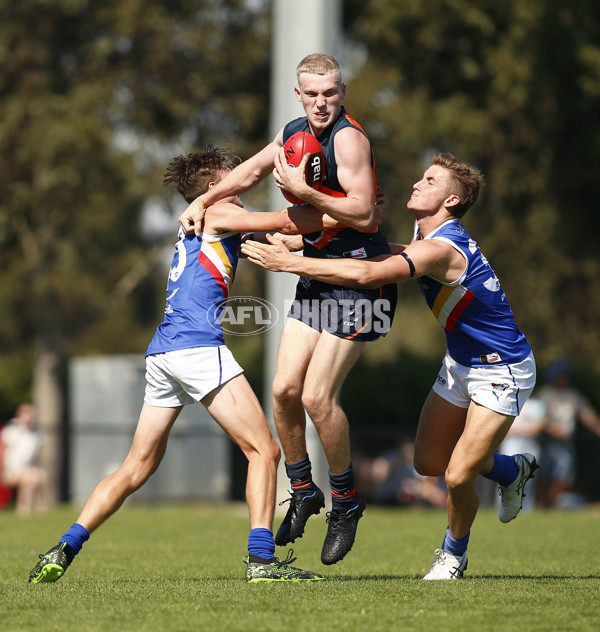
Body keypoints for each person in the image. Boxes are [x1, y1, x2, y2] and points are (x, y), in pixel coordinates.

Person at [27, 146, 344, 584]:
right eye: (231, 175)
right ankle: (261, 561)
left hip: (164, 352)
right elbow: (284, 221)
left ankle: (64, 547)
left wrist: (319, 235)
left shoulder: (209, 222)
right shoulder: (216, 214)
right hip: (196, 348)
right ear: (214, 188)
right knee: (264, 451)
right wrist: (346, 211)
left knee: (135, 468)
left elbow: (285, 238)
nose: (241, 179)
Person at [242, 151, 538, 580]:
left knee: (457, 476)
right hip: (460, 363)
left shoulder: (443, 246)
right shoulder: (425, 232)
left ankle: (453, 555)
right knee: (429, 463)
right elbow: (393, 252)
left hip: (502, 369)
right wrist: (301, 241)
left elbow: (370, 274)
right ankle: (512, 469)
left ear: (451, 202)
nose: (418, 184)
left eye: (431, 181)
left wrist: (293, 263)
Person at [177, 53, 397, 565]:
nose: (322, 103)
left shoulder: (349, 139)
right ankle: (303, 489)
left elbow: (364, 214)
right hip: (317, 273)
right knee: (282, 391)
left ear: (343, 93)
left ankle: (344, 503)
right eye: (313, 93)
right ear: (298, 94)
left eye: (331, 93)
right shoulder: (293, 131)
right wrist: (201, 203)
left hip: (360, 278)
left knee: (318, 398)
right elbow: (249, 172)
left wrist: (302, 192)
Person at [536, 359, 600, 508]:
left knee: (564, 476)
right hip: (547, 441)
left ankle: (552, 503)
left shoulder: (573, 395)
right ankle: (542, 503)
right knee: (543, 474)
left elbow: (587, 415)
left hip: (566, 443)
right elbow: (537, 418)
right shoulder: (544, 394)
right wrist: (552, 429)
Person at [0, 403, 48, 516]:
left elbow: (36, 456)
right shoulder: (11, 431)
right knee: (29, 478)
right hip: (10, 470)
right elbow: (2, 451)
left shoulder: (37, 433)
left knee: (41, 475)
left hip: (27, 469)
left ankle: (40, 509)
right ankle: (23, 508)